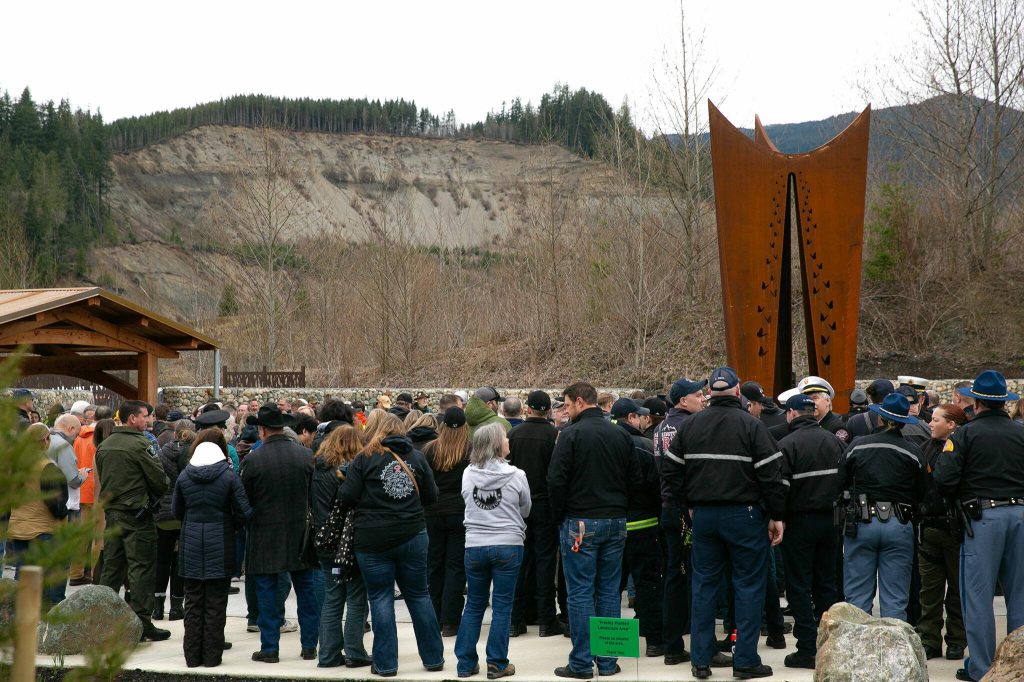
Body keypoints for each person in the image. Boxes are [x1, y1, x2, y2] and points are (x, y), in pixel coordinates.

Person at [666, 368, 785, 680]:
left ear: (709, 394)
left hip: (703, 516)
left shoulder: (689, 426)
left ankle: (701, 660)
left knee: (703, 585)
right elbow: (772, 476)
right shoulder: (752, 425)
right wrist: (776, 515)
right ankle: (744, 660)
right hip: (744, 516)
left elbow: (671, 472)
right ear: (736, 393)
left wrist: (687, 506)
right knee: (748, 586)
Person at [934, 370, 1024, 682]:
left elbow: (943, 479)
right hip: (1020, 515)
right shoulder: (1021, 432)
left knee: (978, 595)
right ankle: (1019, 663)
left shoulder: (965, 434)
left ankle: (982, 667)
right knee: (1020, 595)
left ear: (978, 403)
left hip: (983, 518)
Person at [338, 412, 443, 677]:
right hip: (412, 534)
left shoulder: (364, 459)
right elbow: (431, 496)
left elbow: (347, 497)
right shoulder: (417, 458)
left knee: (381, 599)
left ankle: (386, 664)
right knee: (419, 595)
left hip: (373, 539)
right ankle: (433, 658)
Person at [547, 382, 641, 679]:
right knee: (609, 592)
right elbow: (635, 479)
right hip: (615, 521)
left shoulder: (570, 435)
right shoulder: (620, 434)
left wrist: (559, 516)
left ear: (579, 402)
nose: (565, 410)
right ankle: (608, 661)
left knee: (580, 593)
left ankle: (581, 662)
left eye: (566, 405)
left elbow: (555, 480)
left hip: (580, 522)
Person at [242, 404, 320, 663]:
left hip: (265, 534)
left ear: (262, 430)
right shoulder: (305, 455)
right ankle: (310, 646)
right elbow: (313, 496)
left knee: (267, 592)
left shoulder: (254, 459)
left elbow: (246, 499)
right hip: (300, 532)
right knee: (306, 591)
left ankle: (270, 647)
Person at [837, 392, 926, 622]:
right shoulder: (913, 452)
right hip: (899, 523)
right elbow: (925, 492)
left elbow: (839, 483)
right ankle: (893, 652)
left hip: (861, 522)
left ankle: (856, 653)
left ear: (881, 418)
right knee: (896, 601)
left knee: (856, 599)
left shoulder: (857, 446)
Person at [455, 423, 531, 679]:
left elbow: (467, 501)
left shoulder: (467, 474)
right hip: (508, 544)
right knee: (502, 606)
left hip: (475, 544)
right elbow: (526, 508)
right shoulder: (517, 475)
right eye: (505, 438)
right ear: (497, 445)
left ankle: (465, 663)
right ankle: (497, 663)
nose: (508, 441)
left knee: (474, 604)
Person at [777, 394, 845, 669]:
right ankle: (831, 646)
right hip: (830, 522)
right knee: (827, 583)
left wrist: (776, 518)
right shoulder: (836, 442)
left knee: (799, 585)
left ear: (792, 414)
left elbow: (779, 490)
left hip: (799, 523)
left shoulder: (786, 445)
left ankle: (807, 647)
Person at [95, 400, 171, 641]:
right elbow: (159, 480)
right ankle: (141, 623)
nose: (148, 420)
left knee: (112, 568)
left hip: (113, 514)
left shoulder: (105, 445)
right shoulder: (140, 445)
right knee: (142, 568)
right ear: (131, 419)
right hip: (137, 516)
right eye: (144, 416)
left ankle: (101, 619)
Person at [174, 440, 252, 668]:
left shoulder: (184, 477)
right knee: (216, 604)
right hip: (221, 542)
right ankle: (211, 657)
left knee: (193, 603)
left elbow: (176, 510)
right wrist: (233, 525)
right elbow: (244, 510)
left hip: (191, 545)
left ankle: (192, 657)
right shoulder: (229, 477)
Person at [652, 377, 707, 666]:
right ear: (683, 401)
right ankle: (702, 646)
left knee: (674, 575)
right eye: (699, 395)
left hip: (668, 508)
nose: (704, 399)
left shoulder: (660, 427)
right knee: (701, 576)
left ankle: (672, 645)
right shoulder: (692, 426)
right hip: (689, 511)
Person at [309, 424, 372, 669]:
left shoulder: (317, 469)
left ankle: (327, 654)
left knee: (332, 599)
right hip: (347, 542)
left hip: (324, 540)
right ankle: (355, 651)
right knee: (357, 597)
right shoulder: (347, 472)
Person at [611, 398, 663, 658]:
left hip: (611, 525)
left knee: (610, 589)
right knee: (650, 585)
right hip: (644, 525)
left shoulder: (605, 446)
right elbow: (656, 487)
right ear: (631, 418)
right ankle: (654, 641)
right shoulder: (644, 446)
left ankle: (611, 645)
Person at [508, 390, 562, 637]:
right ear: (548, 410)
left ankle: (516, 620)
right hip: (545, 504)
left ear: (527, 408)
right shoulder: (554, 435)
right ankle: (545, 619)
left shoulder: (514, 434)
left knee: (520, 561)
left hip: (518, 506)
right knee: (545, 561)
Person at [917, 403, 967, 661]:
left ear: (952, 425)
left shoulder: (962, 449)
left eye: (936, 420)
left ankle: (956, 640)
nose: (930, 423)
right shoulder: (925, 448)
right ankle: (929, 640)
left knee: (957, 590)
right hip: (930, 527)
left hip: (956, 529)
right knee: (930, 590)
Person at [8, 422, 69, 605]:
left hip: (19, 528)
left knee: (24, 574)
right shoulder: (47, 467)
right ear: (45, 440)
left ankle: (23, 616)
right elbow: (56, 504)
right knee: (52, 575)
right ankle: (50, 615)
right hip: (44, 529)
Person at [422, 407, 471, 637]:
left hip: (433, 511)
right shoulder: (468, 451)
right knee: (455, 566)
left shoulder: (430, 450)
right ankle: (451, 620)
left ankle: (434, 616)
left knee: (435, 565)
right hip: (459, 512)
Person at [153, 419, 195, 621]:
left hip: (163, 513)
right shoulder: (193, 454)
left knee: (161, 561)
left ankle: (158, 607)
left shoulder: (162, 453)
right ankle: (177, 607)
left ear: (175, 433)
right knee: (179, 562)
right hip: (184, 514)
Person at [70, 413, 101, 586]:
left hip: (79, 490)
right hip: (93, 490)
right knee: (98, 537)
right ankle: (96, 572)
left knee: (81, 536)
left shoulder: (79, 437)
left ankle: (76, 573)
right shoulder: (98, 438)